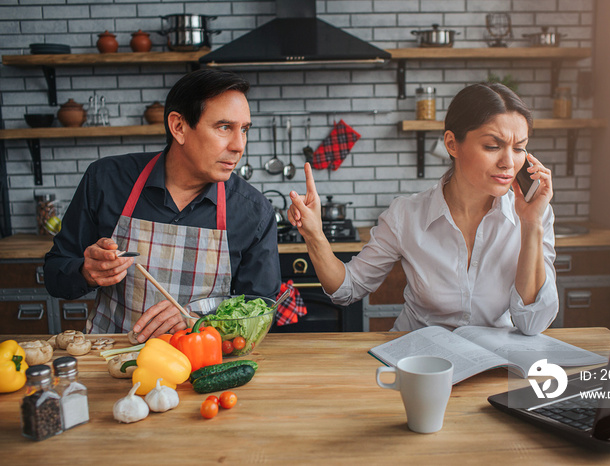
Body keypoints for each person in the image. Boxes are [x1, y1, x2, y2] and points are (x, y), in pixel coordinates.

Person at [287, 83, 558, 334]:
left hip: (493, 366)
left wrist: (532, 224)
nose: (509, 163)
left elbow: (531, 323)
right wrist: (314, 235)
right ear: (452, 143)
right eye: (492, 146)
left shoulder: (534, 214)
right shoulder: (406, 215)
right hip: (418, 364)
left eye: (519, 148)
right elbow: (348, 288)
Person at [44, 69, 281, 341]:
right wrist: (86, 272)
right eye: (224, 127)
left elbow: (259, 310)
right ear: (178, 127)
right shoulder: (106, 180)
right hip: (108, 358)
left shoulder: (253, 211)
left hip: (201, 364)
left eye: (244, 130)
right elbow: (54, 275)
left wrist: (200, 318)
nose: (239, 145)